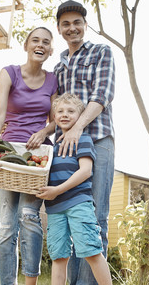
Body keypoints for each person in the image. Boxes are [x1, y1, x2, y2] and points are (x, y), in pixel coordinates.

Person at [0, 27, 58, 285]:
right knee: (6, 225)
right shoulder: (9, 73)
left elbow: (56, 119)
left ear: (50, 50)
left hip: (38, 156)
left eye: (45, 42)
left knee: (29, 216)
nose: (40, 45)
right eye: (35, 40)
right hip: (9, 153)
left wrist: (44, 130)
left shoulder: (53, 80)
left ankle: (31, 283)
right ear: (26, 45)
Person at [53, 0, 115, 285]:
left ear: (85, 25)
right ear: (60, 29)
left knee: (95, 216)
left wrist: (78, 128)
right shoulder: (59, 66)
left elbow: (102, 95)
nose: (72, 28)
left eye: (77, 22)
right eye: (65, 24)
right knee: (71, 217)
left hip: (98, 138)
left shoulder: (101, 52)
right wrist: (46, 132)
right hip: (66, 148)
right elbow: (58, 109)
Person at [37, 93, 112, 285]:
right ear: (54, 117)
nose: (65, 114)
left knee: (92, 251)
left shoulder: (83, 139)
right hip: (54, 209)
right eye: (60, 111)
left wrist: (57, 190)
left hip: (78, 204)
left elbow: (85, 171)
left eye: (71, 111)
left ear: (79, 117)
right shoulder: (51, 148)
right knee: (59, 257)